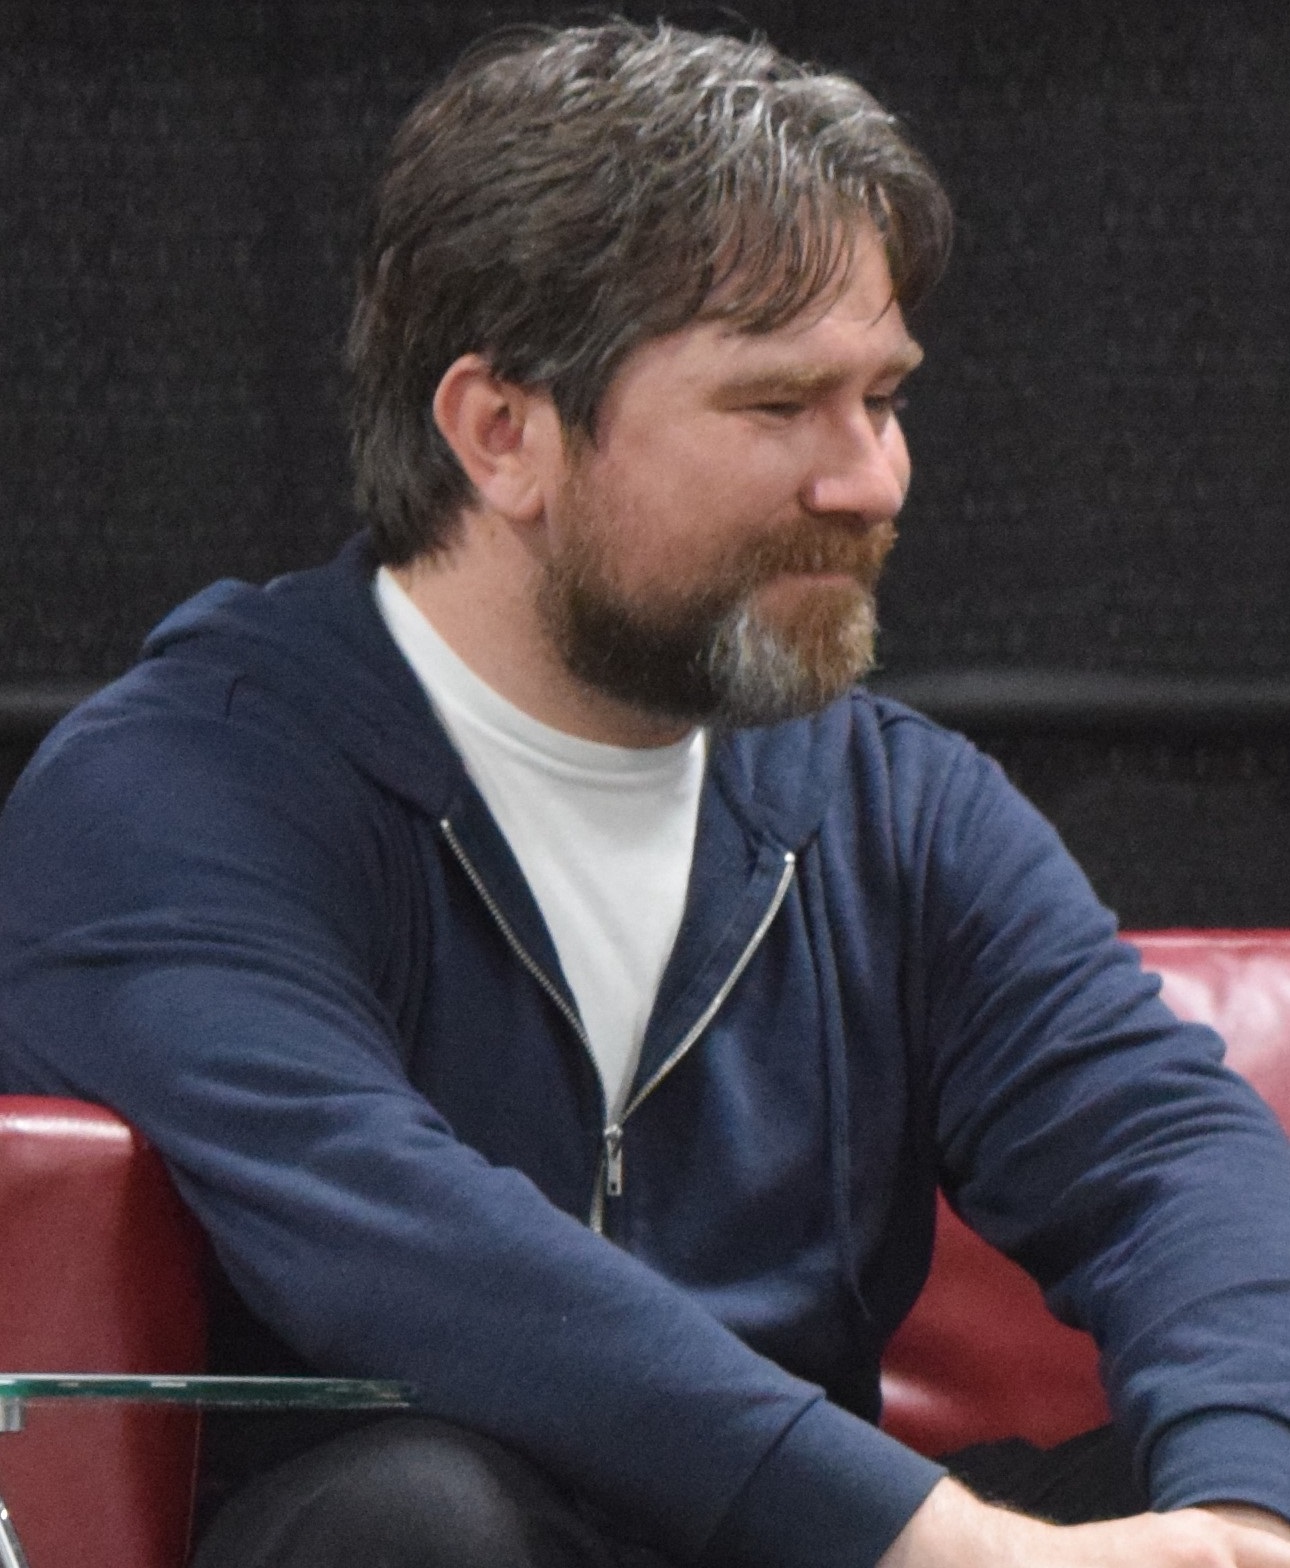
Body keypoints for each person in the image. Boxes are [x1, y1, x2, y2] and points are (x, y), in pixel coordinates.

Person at [1, 20, 1290, 1568]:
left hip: (831, 1548)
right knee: (418, 1517)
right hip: (448, 1537)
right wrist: (933, 1538)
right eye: (778, 407)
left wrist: (1240, 1514)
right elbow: (399, 1244)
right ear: (501, 434)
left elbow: (1163, 1158)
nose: (869, 479)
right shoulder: (173, 794)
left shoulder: (895, 806)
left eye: (882, 399)